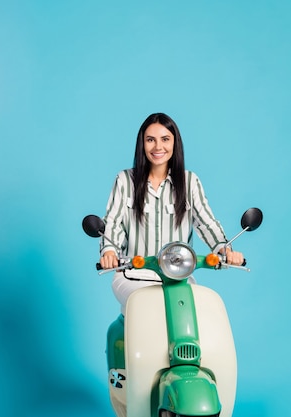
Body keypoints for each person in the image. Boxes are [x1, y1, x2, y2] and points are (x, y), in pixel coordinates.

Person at [97, 112, 244, 417]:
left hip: (178, 278)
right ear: (142, 144)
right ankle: (134, 398)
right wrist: (109, 250)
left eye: (165, 139)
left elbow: (207, 222)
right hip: (134, 275)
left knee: (200, 316)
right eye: (150, 139)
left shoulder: (189, 182)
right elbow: (111, 224)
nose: (158, 146)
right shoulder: (125, 181)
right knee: (145, 310)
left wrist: (225, 249)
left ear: (175, 144)